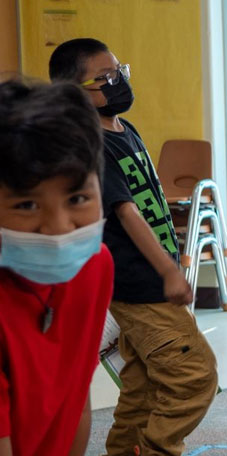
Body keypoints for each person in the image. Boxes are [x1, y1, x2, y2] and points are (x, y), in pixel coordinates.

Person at [49, 38, 218, 456]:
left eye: (118, 71)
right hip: (141, 285)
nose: (117, 82)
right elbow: (127, 214)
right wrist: (167, 271)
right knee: (195, 376)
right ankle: (158, 450)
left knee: (143, 385)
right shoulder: (92, 146)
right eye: (104, 78)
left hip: (145, 282)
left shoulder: (126, 130)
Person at [0, 78, 113, 456]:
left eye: (78, 197)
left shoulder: (94, 266)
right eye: (27, 205)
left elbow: (75, 394)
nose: (59, 229)